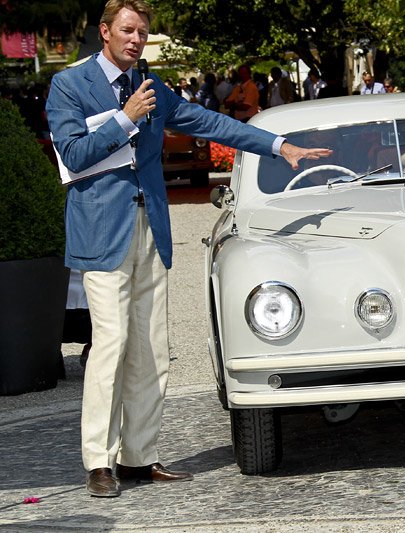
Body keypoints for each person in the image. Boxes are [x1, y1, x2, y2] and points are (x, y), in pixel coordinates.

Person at [45, 0, 332, 498]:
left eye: (142, 32)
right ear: (105, 32)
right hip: (100, 233)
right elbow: (72, 153)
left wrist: (278, 145)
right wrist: (125, 118)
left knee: (152, 349)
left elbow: (207, 122)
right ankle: (99, 462)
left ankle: (139, 457)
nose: (135, 40)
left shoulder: (150, 86)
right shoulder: (69, 85)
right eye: (127, 31)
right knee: (109, 346)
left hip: (150, 227)